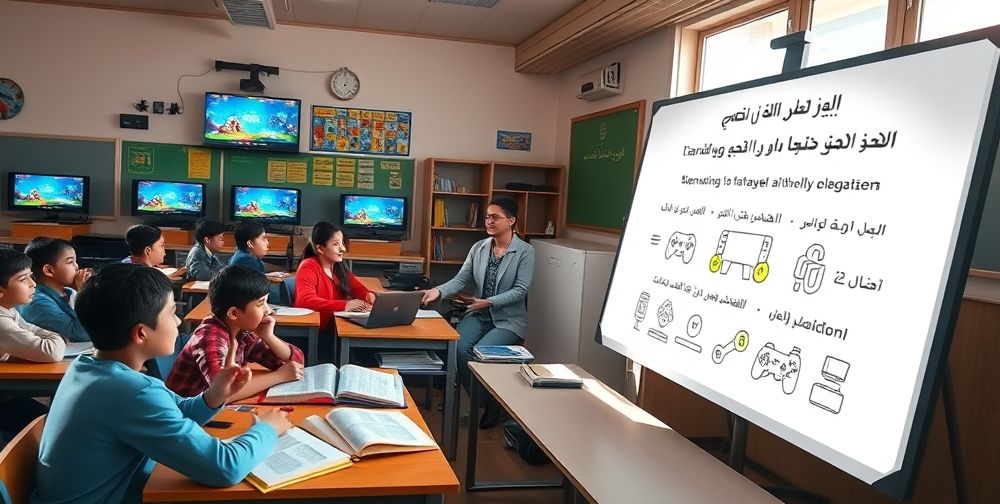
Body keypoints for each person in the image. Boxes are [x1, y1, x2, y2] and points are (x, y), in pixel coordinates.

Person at [33, 264, 292, 504]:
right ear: (141, 333)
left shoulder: (90, 366)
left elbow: (179, 410)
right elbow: (224, 468)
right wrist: (267, 429)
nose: (179, 321)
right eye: (171, 313)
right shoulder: (131, 391)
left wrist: (214, 395)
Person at [421, 197, 534, 429]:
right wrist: (437, 291)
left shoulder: (525, 251)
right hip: (478, 315)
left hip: (507, 320)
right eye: (487, 216)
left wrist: (488, 302)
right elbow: (462, 279)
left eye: (495, 217)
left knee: (480, 352)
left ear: (511, 221)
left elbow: (520, 290)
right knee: (460, 348)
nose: (489, 221)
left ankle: (491, 403)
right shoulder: (479, 247)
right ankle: (489, 402)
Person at [167, 265, 305, 400]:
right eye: (260, 303)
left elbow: (296, 362)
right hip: (183, 416)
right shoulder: (209, 337)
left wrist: (268, 336)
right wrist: (278, 376)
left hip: (211, 412)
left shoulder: (242, 332)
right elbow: (223, 392)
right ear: (233, 313)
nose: (268, 310)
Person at [0, 249, 65, 439]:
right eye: (23, 279)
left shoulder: (8, 310)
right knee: (54, 424)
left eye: (31, 276)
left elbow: (32, 329)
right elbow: (51, 351)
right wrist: (56, 337)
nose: (33, 284)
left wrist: (48, 336)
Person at [294, 221, 375, 330]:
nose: (343, 249)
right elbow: (305, 300)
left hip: (336, 327)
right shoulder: (308, 266)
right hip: (318, 330)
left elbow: (357, 288)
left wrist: (368, 296)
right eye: (336, 244)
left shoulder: (338, 267)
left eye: (342, 243)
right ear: (321, 249)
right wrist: (345, 305)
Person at [20, 237, 91, 342]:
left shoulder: (69, 292)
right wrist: (84, 293)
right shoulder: (37, 302)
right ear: (49, 270)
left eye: (75, 261)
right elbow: (81, 335)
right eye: (70, 261)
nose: (76, 267)